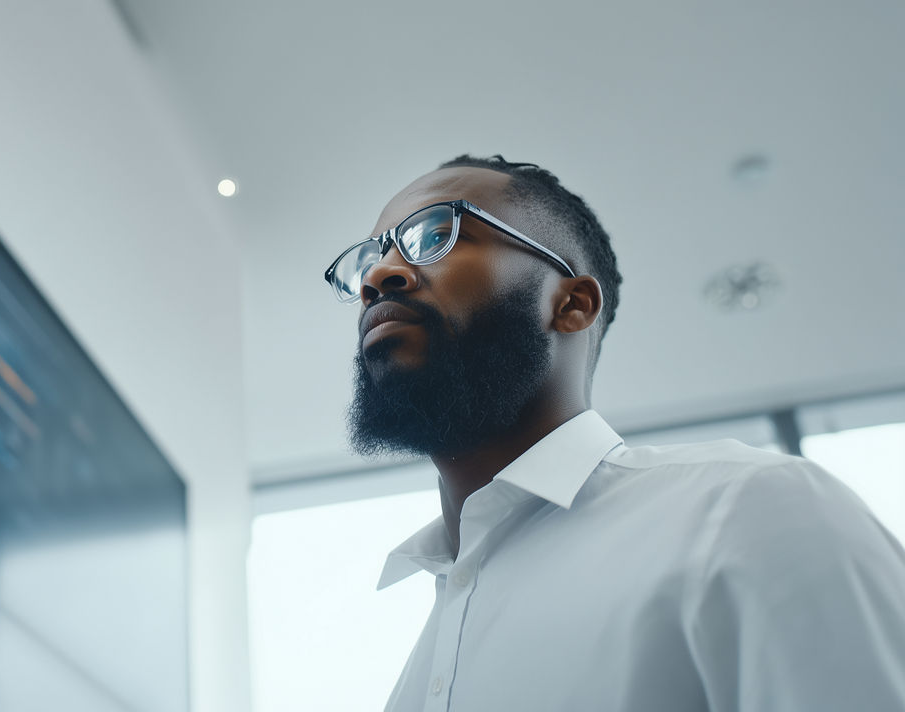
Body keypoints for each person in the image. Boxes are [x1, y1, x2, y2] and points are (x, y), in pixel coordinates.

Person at [324, 155, 905, 711]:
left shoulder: (744, 511)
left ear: (572, 304)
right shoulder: (420, 662)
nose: (378, 274)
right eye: (369, 258)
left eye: (433, 235)